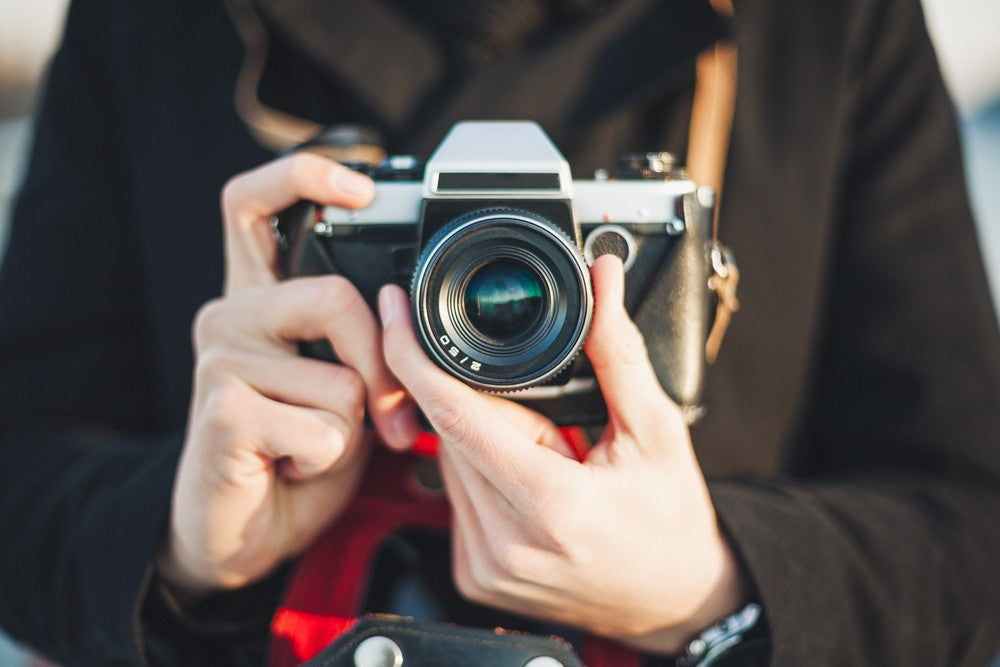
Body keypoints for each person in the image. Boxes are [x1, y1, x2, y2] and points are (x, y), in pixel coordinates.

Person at [1, 0, 998, 665]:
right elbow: (19, 478)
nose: (487, 300)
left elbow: (969, 518)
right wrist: (180, 541)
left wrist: (711, 583)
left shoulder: (825, 24)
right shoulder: (155, 20)